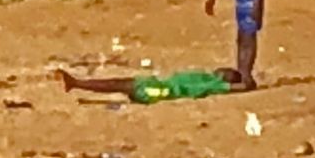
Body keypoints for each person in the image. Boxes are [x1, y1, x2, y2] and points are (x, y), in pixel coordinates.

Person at [57, 66, 250, 104]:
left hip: (161, 90)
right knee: (118, 84)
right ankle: (76, 83)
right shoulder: (206, 77)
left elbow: (240, 88)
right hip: (157, 84)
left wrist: (247, 82)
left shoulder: (212, 84)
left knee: (118, 85)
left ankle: (76, 83)